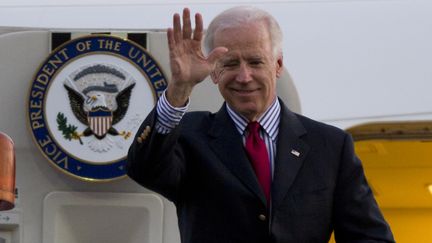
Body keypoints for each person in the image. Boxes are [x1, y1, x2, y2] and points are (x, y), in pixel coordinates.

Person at [127, 6, 395, 243]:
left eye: (256, 62)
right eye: (230, 63)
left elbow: (369, 237)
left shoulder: (331, 146)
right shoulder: (188, 136)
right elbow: (145, 169)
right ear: (214, 72)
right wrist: (179, 89)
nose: (244, 77)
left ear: (278, 65)